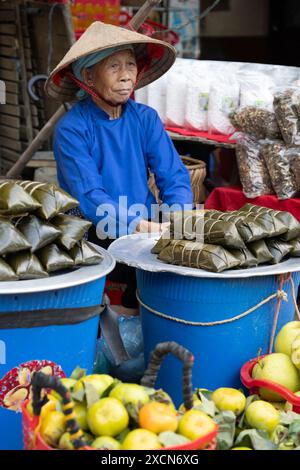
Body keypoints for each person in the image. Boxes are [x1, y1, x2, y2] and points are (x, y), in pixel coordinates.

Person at [46, 21, 193, 311]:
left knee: (154, 303)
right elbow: (90, 196)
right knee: (108, 311)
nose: (126, 75)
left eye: (130, 65)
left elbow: (173, 175)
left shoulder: (145, 119)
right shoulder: (72, 129)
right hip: (94, 232)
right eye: (114, 67)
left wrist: (178, 217)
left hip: (148, 225)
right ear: (88, 76)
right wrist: (141, 226)